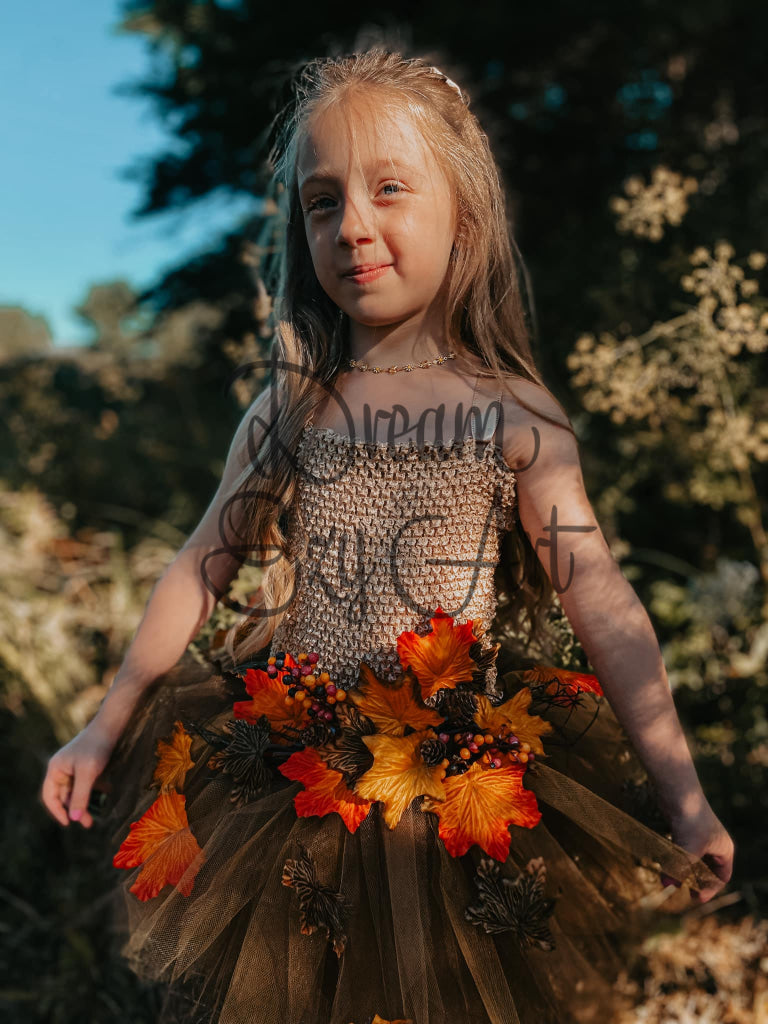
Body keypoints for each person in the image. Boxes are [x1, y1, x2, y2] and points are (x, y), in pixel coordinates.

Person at [41, 48, 733, 1024]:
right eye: (322, 202)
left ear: (465, 211)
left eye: (389, 188)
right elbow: (204, 565)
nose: (352, 225)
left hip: (449, 781)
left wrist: (684, 789)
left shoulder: (512, 416)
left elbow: (601, 596)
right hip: (302, 778)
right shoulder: (294, 408)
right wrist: (107, 718)